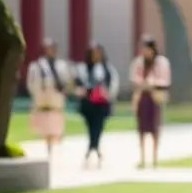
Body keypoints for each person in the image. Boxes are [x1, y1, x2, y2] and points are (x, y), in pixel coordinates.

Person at [72, 43, 119, 168]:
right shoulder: (83, 68)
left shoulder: (107, 68)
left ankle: (93, 148)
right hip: (88, 102)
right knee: (91, 127)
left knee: (98, 126)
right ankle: (94, 148)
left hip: (101, 102)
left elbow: (112, 84)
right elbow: (78, 83)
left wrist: (108, 94)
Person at [129, 34, 171, 169]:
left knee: (155, 128)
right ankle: (142, 157)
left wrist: (153, 83)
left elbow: (165, 80)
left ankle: (154, 157)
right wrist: (143, 84)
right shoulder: (138, 63)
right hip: (142, 97)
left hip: (155, 97)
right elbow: (134, 78)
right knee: (141, 129)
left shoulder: (161, 62)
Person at [25, 38, 70, 159]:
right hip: (43, 102)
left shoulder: (61, 66)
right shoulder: (37, 66)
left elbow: (66, 83)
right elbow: (31, 84)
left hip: (56, 103)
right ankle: (48, 149)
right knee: (45, 131)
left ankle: (51, 149)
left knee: (55, 131)